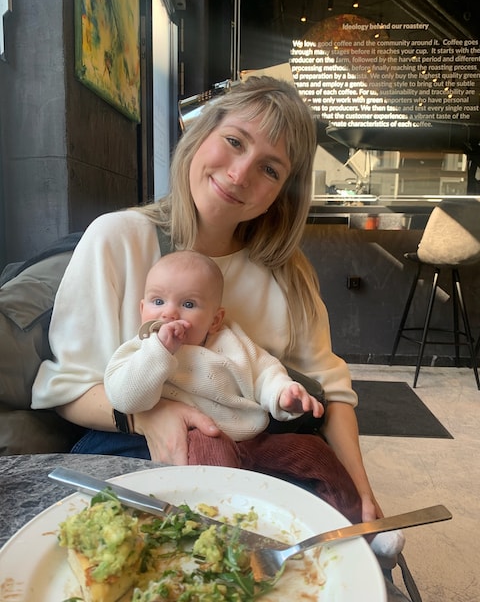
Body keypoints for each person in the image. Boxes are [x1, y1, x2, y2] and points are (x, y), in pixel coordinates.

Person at [31, 76, 385, 531]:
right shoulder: (117, 239)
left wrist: (362, 494)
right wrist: (148, 417)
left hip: (255, 450)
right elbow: (66, 390)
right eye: (234, 141)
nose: (240, 174)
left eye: (270, 169)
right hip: (128, 447)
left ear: (283, 192)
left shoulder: (289, 274)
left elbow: (331, 393)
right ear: (202, 135)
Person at [104, 250, 325, 435]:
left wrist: (283, 393)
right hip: (193, 434)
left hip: (251, 436)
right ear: (142, 309)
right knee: (211, 453)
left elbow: (265, 372)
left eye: (188, 304)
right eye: (158, 301)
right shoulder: (141, 350)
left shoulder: (232, 342)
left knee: (311, 452)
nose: (169, 313)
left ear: (215, 320)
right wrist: (159, 351)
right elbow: (124, 400)